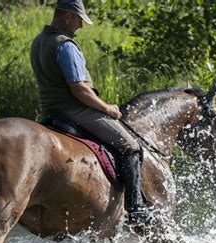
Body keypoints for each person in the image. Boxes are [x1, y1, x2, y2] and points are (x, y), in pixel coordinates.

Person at [30, 0, 148, 224]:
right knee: (130, 146)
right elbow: (80, 89)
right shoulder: (65, 46)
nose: (80, 27)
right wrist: (107, 108)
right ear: (67, 17)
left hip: (49, 111)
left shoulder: (38, 41)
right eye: (79, 21)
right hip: (75, 111)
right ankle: (136, 209)